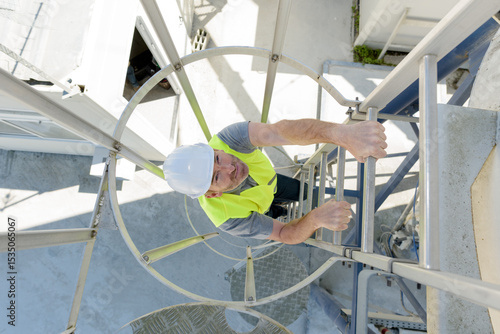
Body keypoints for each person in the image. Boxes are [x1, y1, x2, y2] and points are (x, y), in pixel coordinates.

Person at [163, 119, 387, 245]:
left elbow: (278, 132)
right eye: (217, 176)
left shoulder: (228, 139)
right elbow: (282, 234)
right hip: (258, 207)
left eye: (218, 158)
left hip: (271, 183)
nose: (231, 167)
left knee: (306, 192)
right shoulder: (228, 219)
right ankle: (276, 211)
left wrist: (340, 134)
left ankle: (281, 206)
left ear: (215, 149)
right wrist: (316, 219)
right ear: (212, 194)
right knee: (274, 215)